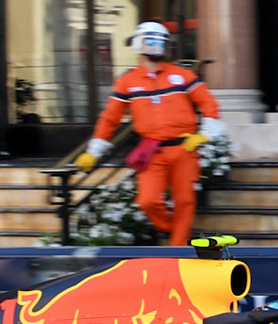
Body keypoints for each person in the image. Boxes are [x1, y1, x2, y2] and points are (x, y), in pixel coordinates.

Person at [77, 21, 224, 246]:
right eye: (151, 41)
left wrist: (204, 134)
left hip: (185, 148)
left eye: (160, 42)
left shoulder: (182, 75)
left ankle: (178, 249)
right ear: (138, 44)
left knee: (184, 201)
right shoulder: (128, 81)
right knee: (147, 200)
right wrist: (94, 151)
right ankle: (175, 230)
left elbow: (208, 104)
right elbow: (110, 119)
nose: (156, 47)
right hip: (152, 151)